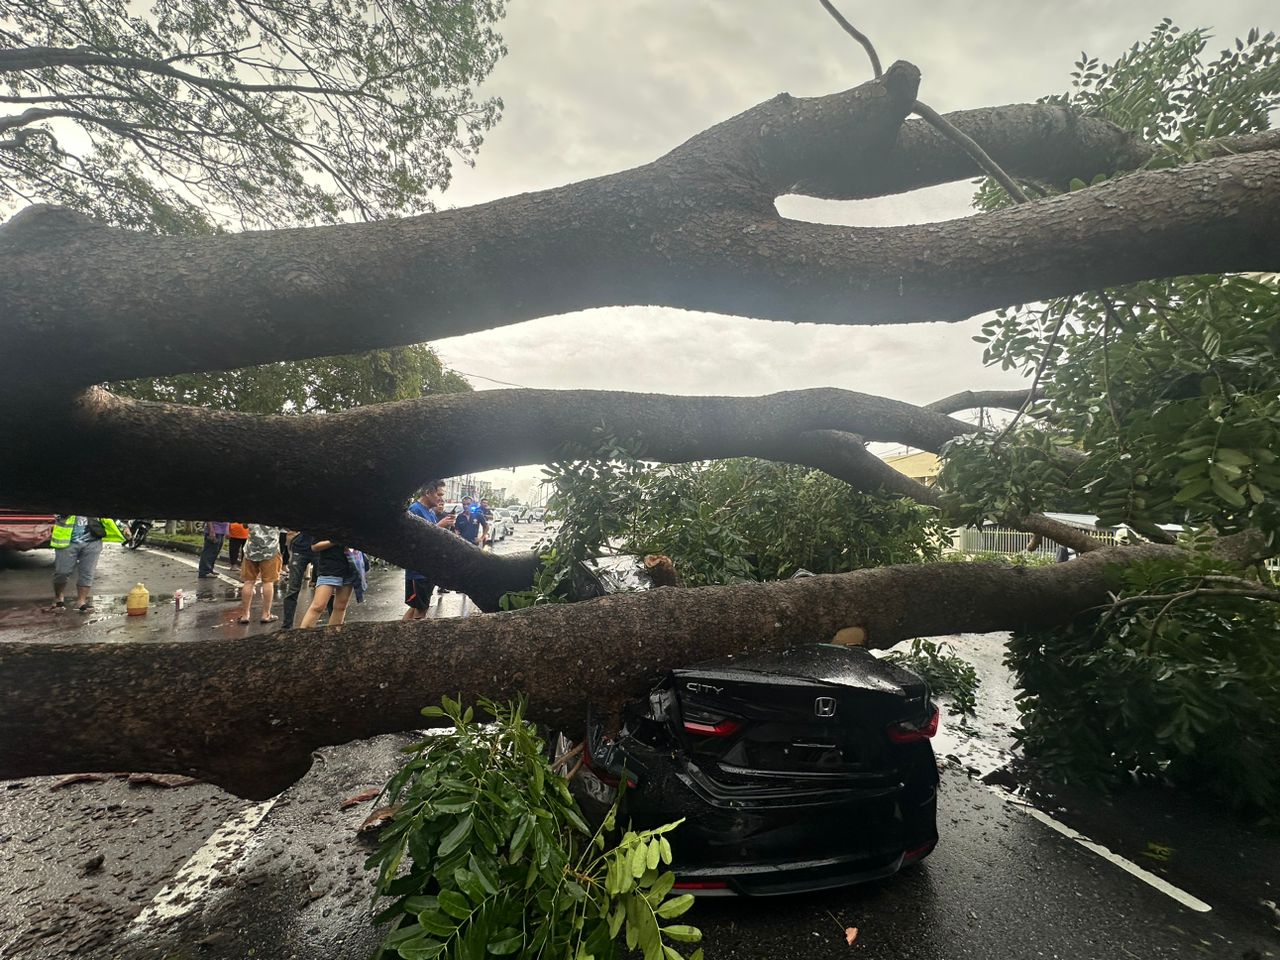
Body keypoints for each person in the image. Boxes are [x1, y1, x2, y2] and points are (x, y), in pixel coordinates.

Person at [46, 515, 125, 613]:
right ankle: (58, 597)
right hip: (67, 541)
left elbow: (109, 516)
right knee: (62, 572)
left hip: (93, 541)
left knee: (87, 573)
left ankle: (81, 602)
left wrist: (124, 527)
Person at [403, 480, 455, 621]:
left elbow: (434, 535)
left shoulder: (430, 512)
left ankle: (396, 637)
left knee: (417, 607)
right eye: (439, 494)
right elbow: (416, 539)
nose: (441, 498)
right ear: (427, 493)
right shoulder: (415, 510)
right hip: (418, 572)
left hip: (428, 570)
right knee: (420, 611)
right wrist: (440, 525)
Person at [300, 537, 356, 627]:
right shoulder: (326, 525)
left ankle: (332, 637)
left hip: (350, 567)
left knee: (341, 606)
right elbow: (315, 546)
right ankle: (302, 638)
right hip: (329, 568)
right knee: (318, 606)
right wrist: (336, 541)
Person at [237, 523, 282, 624]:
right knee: (268, 582)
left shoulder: (252, 510)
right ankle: (266, 614)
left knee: (248, 582)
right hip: (270, 550)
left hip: (251, 550)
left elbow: (244, 525)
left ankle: (245, 615)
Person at [281, 530, 315, 628]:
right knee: (293, 590)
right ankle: (286, 627)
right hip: (300, 548)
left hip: (321, 549)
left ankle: (333, 626)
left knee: (327, 589)